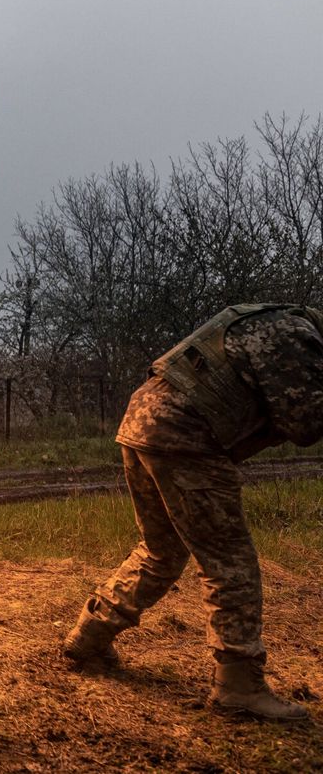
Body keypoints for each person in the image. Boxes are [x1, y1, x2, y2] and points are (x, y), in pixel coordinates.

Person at [63, 303, 323, 720]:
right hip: (184, 433)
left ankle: (90, 634)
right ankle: (239, 685)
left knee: (162, 549)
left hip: (142, 419)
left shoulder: (268, 319)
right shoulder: (295, 336)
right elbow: (306, 422)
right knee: (230, 561)